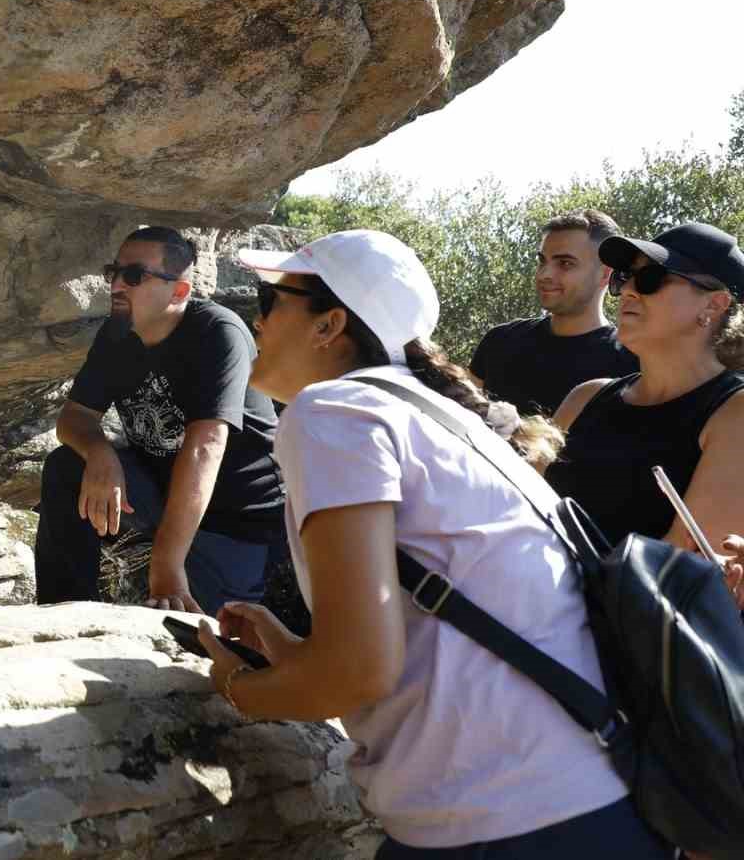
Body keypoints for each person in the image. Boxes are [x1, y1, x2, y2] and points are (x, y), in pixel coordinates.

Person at [195, 228, 670, 858]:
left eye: (270, 298)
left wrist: (235, 690)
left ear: (328, 324)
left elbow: (357, 671)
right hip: (586, 805)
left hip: (501, 824)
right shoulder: (433, 415)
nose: (256, 320)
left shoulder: (336, 412)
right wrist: (293, 654)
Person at [35, 226, 284, 616]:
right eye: (113, 272)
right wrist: (100, 453)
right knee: (68, 466)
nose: (117, 284)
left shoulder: (218, 333)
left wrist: (167, 568)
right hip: (160, 497)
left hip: (235, 522)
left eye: (133, 276)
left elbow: (205, 446)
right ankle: (66, 612)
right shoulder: (117, 334)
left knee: (210, 639)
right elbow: (75, 418)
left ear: (179, 292)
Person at [547, 223, 744, 588]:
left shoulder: (735, 414)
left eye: (651, 278)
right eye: (624, 278)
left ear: (714, 304)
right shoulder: (585, 398)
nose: (628, 292)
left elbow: (674, 574)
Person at [470, 210, 637, 416]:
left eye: (565, 263)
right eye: (542, 261)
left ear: (605, 274)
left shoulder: (631, 362)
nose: (545, 274)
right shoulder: (500, 340)